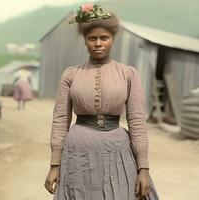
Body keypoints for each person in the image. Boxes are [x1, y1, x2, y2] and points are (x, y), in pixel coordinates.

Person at [44, 3, 159, 200]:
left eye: (104, 38)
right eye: (92, 38)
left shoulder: (128, 74)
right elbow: (60, 120)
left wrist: (144, 168)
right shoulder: (71, 75)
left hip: (117, 152)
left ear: (113, 40)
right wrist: (54, 165)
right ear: (85, 41)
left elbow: (137, 121)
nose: (98, 43)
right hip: (78, 154)